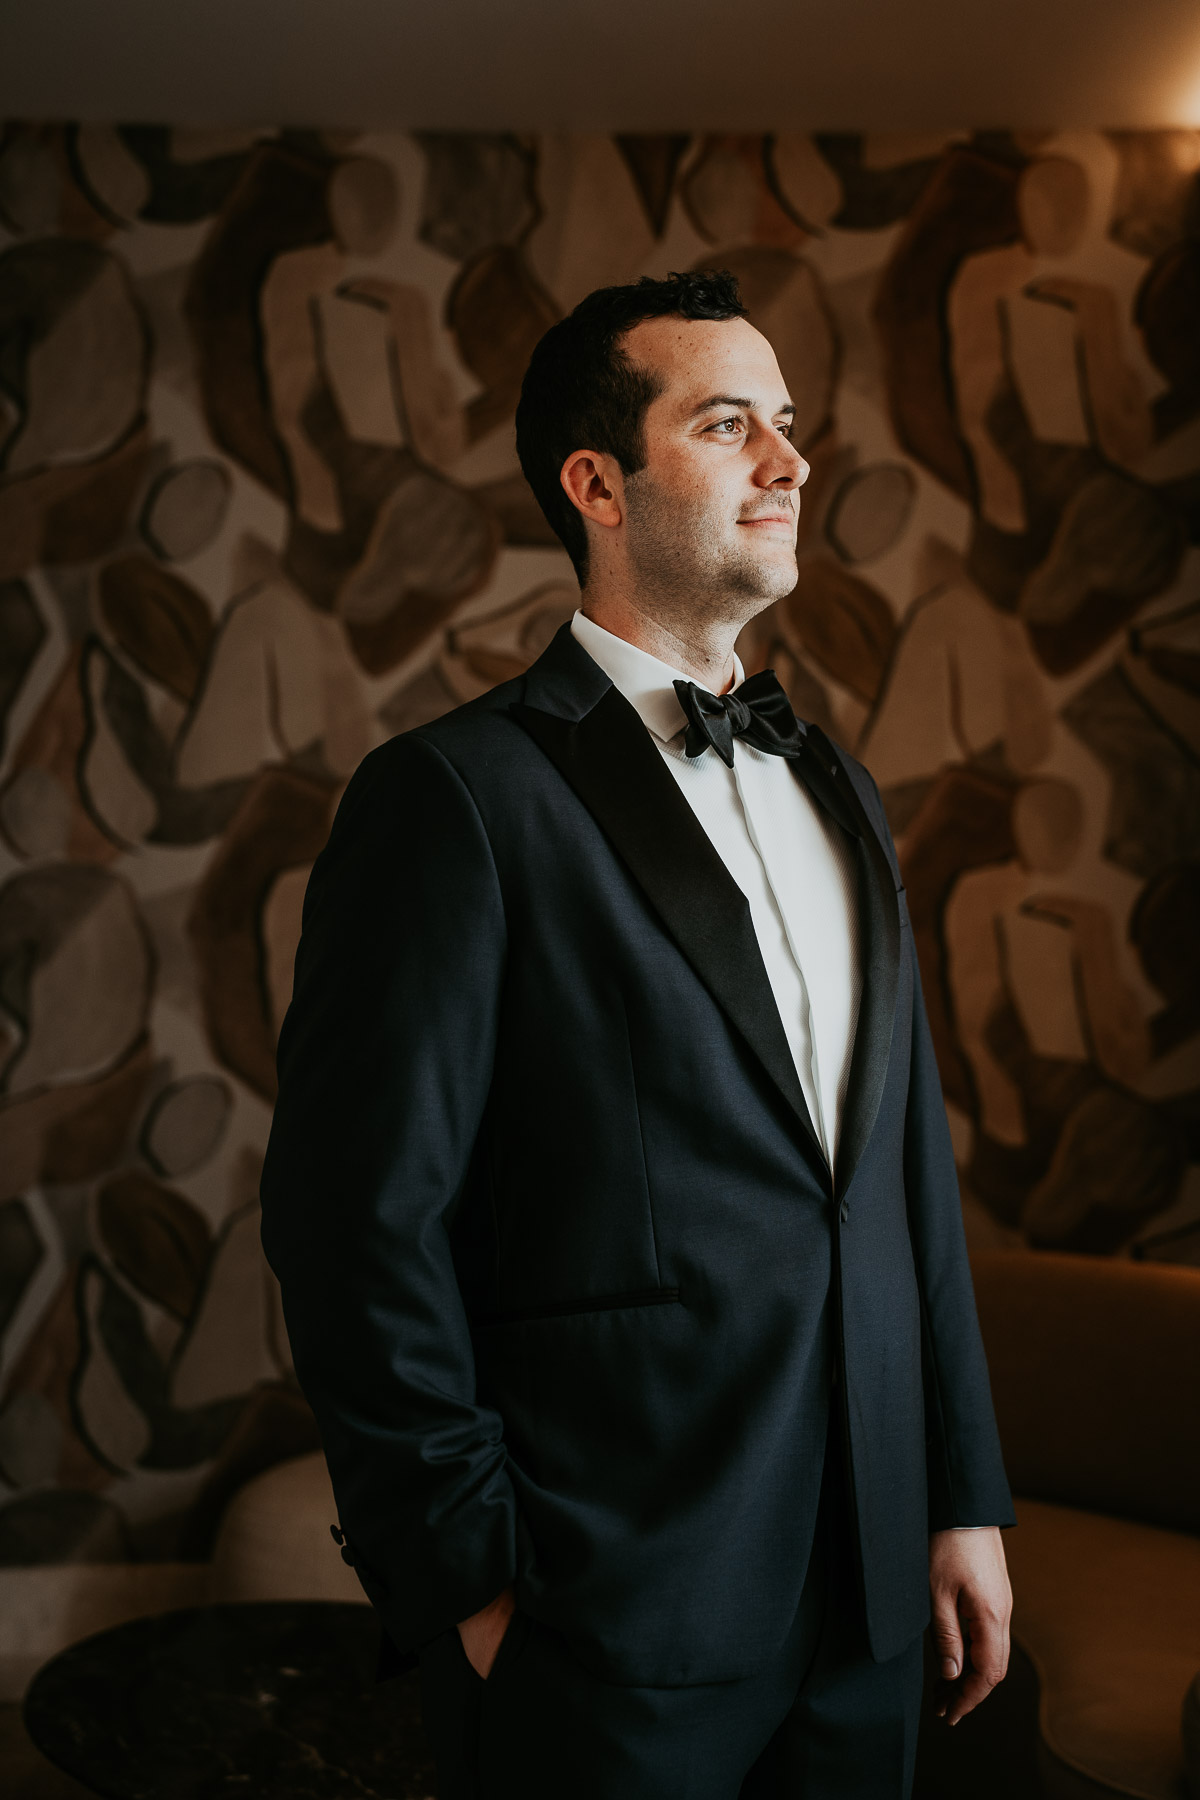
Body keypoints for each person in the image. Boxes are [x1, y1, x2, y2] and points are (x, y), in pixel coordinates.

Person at [260, 269, 1014, 1800]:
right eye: (730, 425)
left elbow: (897, 1182)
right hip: (603, 1614)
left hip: (873, 1601)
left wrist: (959, 1496)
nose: (791, 463)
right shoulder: (454, 801)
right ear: (595, 483)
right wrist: (468, 1580)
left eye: (788, 426)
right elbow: (353, 1221)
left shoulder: (842, 791)